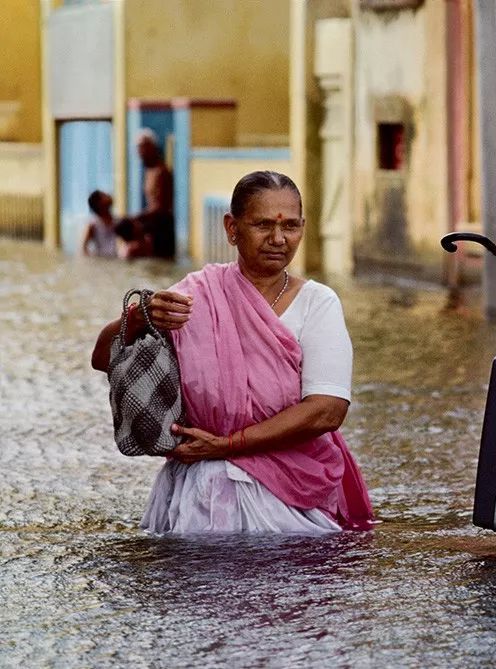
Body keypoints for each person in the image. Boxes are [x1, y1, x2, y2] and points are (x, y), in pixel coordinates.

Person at [91, 170, 374, 534]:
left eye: (290, 226)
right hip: (198, 485)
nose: (278, 239)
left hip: (288, 490)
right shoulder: (196, 294)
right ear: (232, 228)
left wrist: (226, 446)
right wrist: (140, 315)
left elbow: (327, 411)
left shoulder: (317, 303)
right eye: (262, 225)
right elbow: (102, 358)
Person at [121, 128, 175, 259]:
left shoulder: (161, 172)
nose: (140, 152)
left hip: (162, 228)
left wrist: (136, 218)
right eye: (138, 148)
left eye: (142, 148)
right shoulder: (148, 171)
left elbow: (161, 207)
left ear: (152, 147)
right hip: (152, 228)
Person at [81, 190, 121, 258]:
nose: (109, 195)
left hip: (116, 260)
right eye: (104, 196)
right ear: (99, 204)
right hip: (101, 261)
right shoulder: (93, 224)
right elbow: (83, 248)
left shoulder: (117, 221)